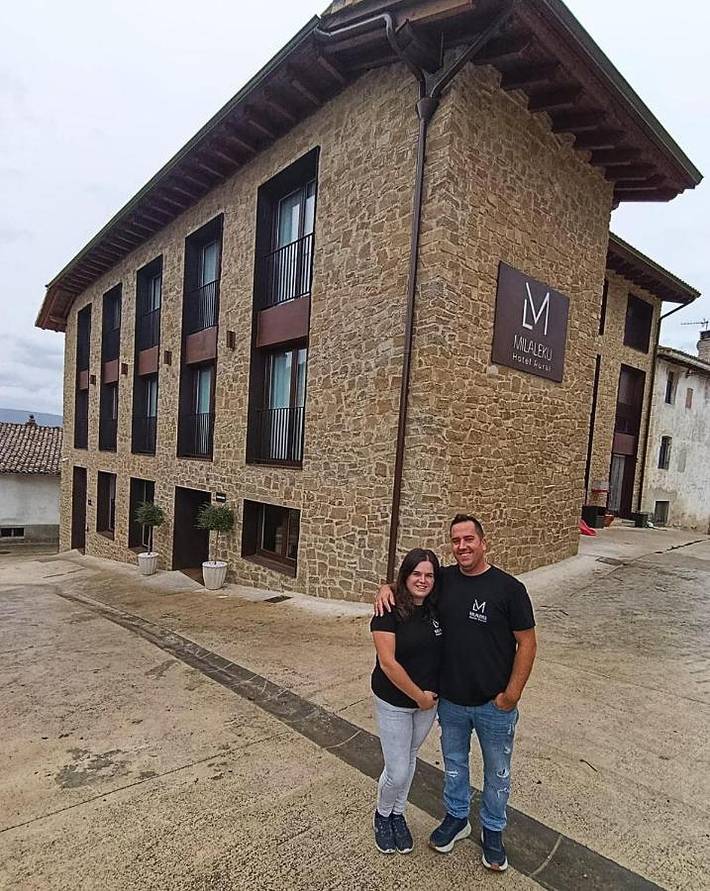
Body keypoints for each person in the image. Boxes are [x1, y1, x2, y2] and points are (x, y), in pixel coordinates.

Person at [375, 515, 536, 872]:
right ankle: (457, 818)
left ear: (483, 541)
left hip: (495, 705)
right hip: (451, 703)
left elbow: (527, 644)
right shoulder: (443, 579)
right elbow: (412, 580)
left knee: (497, 774)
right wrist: (385, 587)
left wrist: (511, 696)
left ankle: (493, 831)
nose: (462, 546)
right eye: (456, 540)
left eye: (469, 539)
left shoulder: (509, 589)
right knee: (454, 768)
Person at [370, 547, 443, 855]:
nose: (423, 580)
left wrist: (429, 700)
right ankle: (382, 814)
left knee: (411, 756)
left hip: (428, 702)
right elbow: (388, 664)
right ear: (405, 575)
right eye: (416, 574)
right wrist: (420, 698)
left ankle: (398, 813)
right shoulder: (388, 610)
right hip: (395, 702)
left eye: (429, 575)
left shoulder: (437, 606)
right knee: (397, 769)